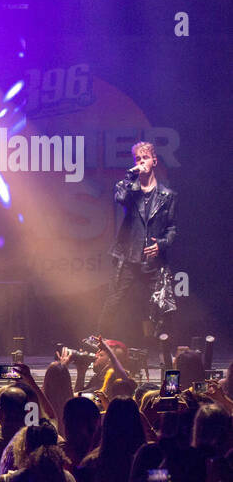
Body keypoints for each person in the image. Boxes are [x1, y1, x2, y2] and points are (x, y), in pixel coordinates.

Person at [97, 141, 178, 345]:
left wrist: (161, 244)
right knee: (113, 302)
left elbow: (172, 229)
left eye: (145, 158)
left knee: (163, 306)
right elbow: (120, 198)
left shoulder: (167, 195)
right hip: (128, 257)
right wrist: (130, 175)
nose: (142, 162)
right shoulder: (128, 189)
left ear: (154, 161)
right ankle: (100, 345)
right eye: (138, 159)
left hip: (152, 260)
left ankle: (165, 352)